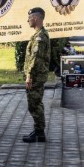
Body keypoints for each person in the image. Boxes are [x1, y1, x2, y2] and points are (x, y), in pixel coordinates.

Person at [22, 8, 50, 143]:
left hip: (36, 76)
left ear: (36, 18)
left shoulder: (40, 37)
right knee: (35, 103)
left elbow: (35, 57)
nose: (28, 20)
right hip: (37, 75)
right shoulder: (38, 35)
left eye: (30, 17)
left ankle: (39, 132)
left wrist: (29, 76)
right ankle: (39, 132)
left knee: (34, 104)